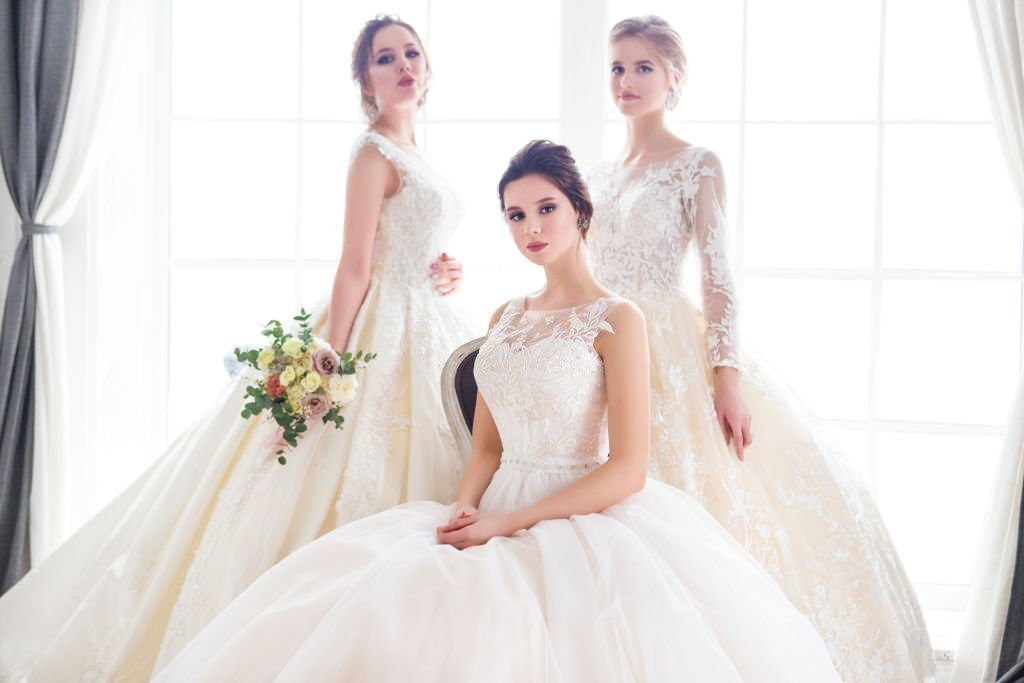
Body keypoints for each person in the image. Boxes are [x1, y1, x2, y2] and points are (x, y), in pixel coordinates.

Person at [153, 140, 840, 683]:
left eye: (545, 208)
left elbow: (629, 468)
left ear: (579, 210)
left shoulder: (618, 318)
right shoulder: (504, 317)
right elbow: (486, 447)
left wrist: (507, 523)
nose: (531, 227)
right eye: (515, 215)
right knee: (374, 602)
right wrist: (465, 509)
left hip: (581, 517)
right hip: (491, 506)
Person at [0, 15, 473, 681]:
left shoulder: (414, 148)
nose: (403, 66)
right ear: (365, 80)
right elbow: (354, 267)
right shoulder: (373, 154)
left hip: (424, 321)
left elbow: (405, 242)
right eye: (385, 58)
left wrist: (442, 269)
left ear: (427, 67)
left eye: (411, 53)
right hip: (376, 327)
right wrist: (328, 367)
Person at [587, 15, 934, 681]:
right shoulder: (598, 175)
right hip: (603, 344)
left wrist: (726, 375)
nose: (626, 80)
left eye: (643, 68)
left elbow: (717, 277)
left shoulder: (696, 164)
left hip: (667, 347)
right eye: (617, 67)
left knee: (686, 500)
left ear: (674, 80)